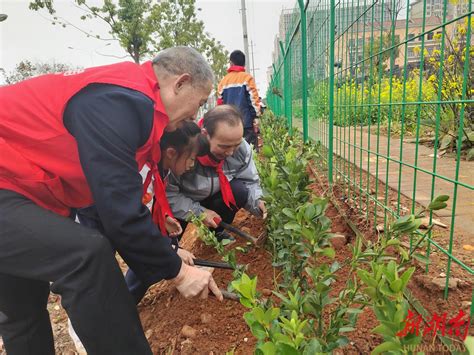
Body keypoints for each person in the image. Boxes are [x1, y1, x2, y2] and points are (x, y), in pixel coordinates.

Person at [0, 46, 223, 355]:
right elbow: (119, 214)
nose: (195, 116)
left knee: (22, 312)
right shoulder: (122, 101)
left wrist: (167, 254)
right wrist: (178, 272)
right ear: (180, 83)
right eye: (199, 103)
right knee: (85, 256)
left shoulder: (126, 98)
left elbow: (115, 205)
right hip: (10, 183)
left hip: (25, 189)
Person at [76, 121, 201, 305]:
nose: (192, 165)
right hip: (96, 216)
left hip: (115, 217)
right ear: (171, 153)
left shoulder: (160, 167)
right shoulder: (143, 170)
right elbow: (131, 220)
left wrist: (163, 219)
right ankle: (99, 313)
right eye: (191, 159)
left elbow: (143, 208)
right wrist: (170, 250)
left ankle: (121, 305)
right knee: (99, 270)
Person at [167, 105, 267, 241]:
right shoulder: (186, 150)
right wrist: (200, 213)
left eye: (236, 144)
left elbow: (249, 181)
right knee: (169, 244)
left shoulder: (241, 149)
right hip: (183, 202)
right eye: (224, 146)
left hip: (214, 197)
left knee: (239, 190)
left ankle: (216, 232)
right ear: (205, 134)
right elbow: (169, 194)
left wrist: (259, 203)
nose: (231, 152)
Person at [217, 50, 261, 149]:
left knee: (232, 152)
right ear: (244, 64)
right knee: (250, 152)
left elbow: (220, 104)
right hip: (246, 123)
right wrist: (256, 117)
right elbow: (253, 101)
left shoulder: (223, 82)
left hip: (229, 124)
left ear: (231, 63)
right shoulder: (247, 78)